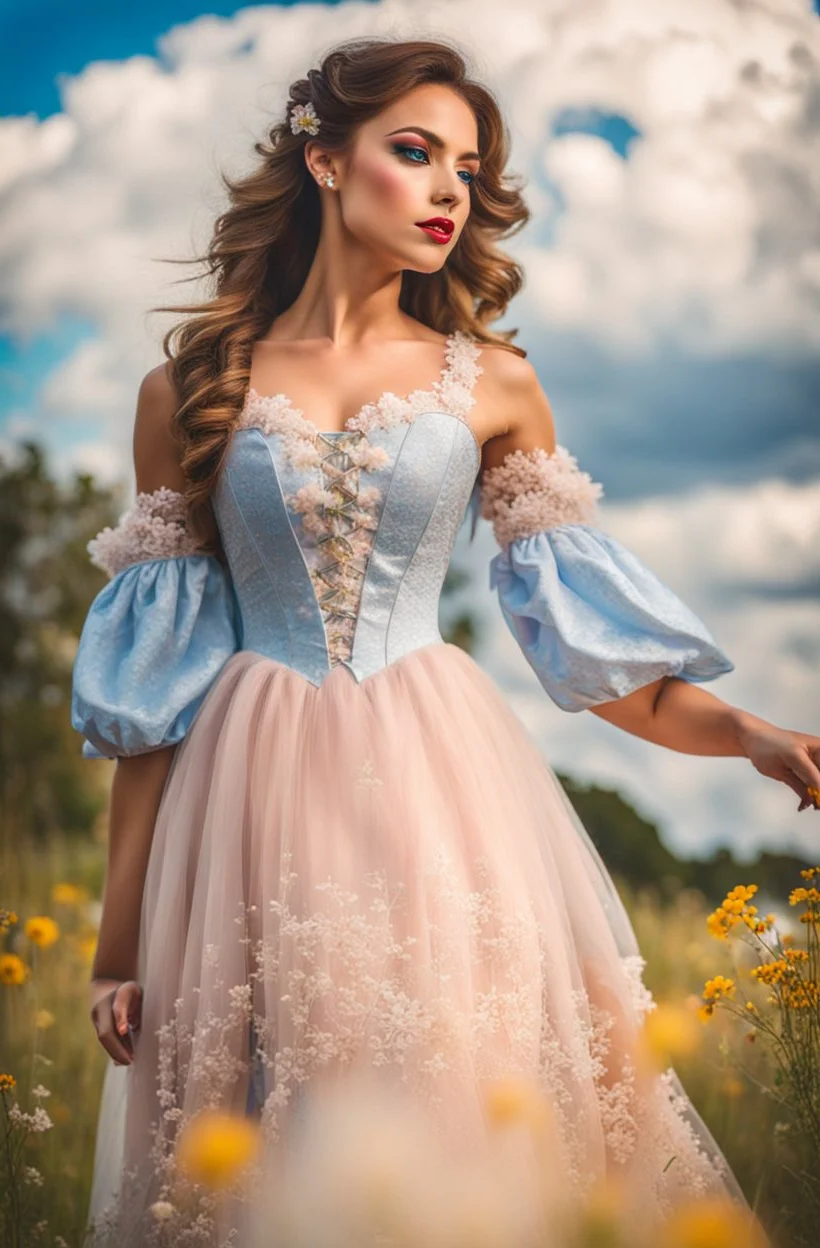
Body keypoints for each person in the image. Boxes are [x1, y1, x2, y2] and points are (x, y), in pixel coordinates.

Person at [70, 34, 814, 1248]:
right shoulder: (190, 390)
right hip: (241, 804)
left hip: (442, 801)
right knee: (255, 1148)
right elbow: (149, 699)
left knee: (456, 1122)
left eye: (465, 167)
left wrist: (744, 732)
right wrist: (115, 948)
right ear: (323, 160)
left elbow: (588, 656)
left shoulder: (496, 385)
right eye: (413, 153)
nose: (447, 191)